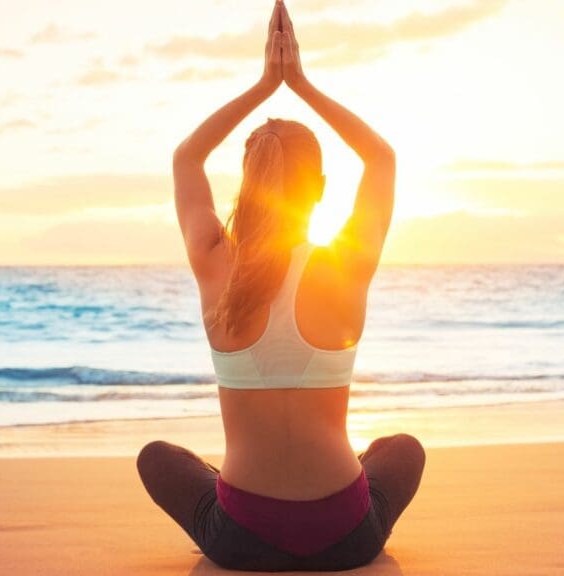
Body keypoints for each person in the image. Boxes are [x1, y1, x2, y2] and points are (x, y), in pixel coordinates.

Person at [136, 0, 424, 571]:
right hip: (346, 537)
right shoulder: (347, 264)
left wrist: (265, 85)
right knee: (401, 451)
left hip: (241, 537)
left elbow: (187, 156)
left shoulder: (214, 261)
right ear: (318, 188)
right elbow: (381, 159)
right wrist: (301, 83)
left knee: (158, 458)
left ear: (248, 182)